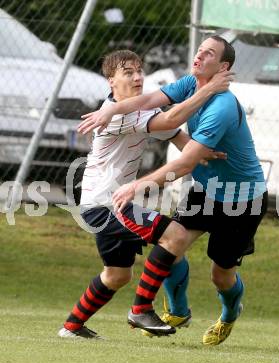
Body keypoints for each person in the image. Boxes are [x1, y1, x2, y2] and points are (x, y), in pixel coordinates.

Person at [78, 36, 268, 346]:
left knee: (221, 276)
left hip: (242, 201)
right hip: (207, 191)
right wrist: (110, 110)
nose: (199, 54)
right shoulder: (191, 84)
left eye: (208, 53)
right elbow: (150, 101)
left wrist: (138, 185)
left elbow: (183, 162)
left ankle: (229, 314)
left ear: (223, 67)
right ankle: (169, 311)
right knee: (172, 239)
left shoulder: (220, 107)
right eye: (199, 49)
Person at [58, 49, 231, 339]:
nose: (138, 76)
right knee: (174, 235)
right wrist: (210, 88)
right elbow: (166, 122)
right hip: (105, 204)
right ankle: (141, 309)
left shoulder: (138, 109)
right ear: (111, 81)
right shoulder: (113, 114)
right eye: (128, 72)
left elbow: (175, 135)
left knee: (117, 275)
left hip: (106, 202)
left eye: (140, 70)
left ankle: (72, 326)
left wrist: (200, 151)